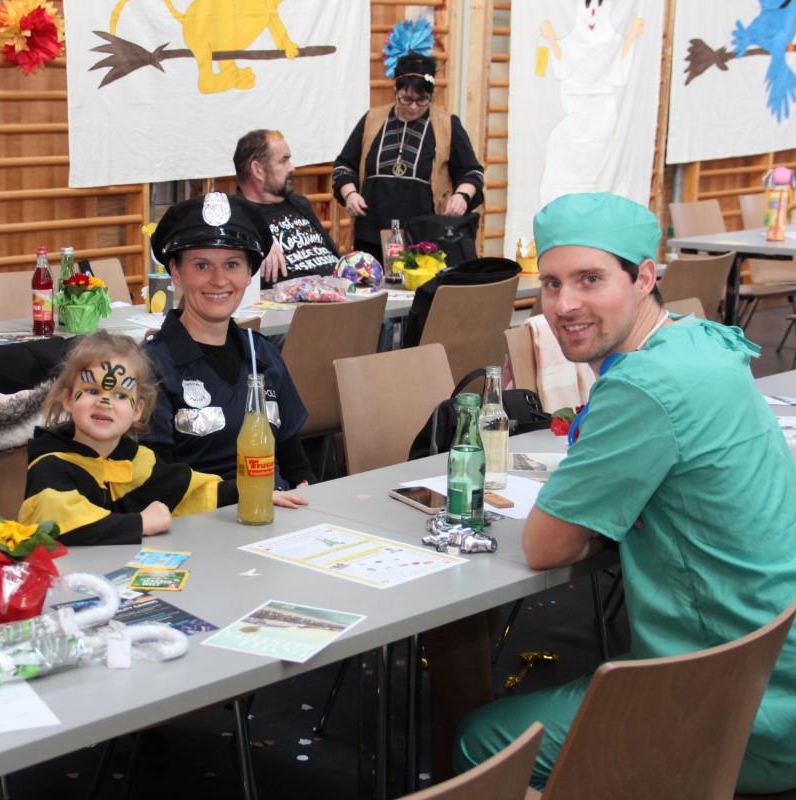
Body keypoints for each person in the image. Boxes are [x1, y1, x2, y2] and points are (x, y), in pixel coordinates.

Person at [453, 193, 796, 793]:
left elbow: (546, 547)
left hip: (738, 708)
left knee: (482, 741)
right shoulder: (699, 340)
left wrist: (595, 520)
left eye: (590, 279)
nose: (565, 304)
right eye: (552, 284)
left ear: (643, 278)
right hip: (775, 663)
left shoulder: (642, 385)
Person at [143, 191, 314, 507]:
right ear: (176, 272)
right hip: (200, 521)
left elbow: (298, 466)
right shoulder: (150, 368)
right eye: (202, 265)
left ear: (249, 273)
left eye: (232, 264)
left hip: (274, 517)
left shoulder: (264, 356)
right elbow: (157, 488)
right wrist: (246, 495)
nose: (219, 280)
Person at [19, 331, 221, 544]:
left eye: (120, 395)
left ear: (137, 410)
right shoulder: (51, 466)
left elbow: (195, 493)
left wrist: (244, 487)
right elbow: (62, 525)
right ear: (69, 399)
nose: (105, 403)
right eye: (92, 391)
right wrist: (141, 523)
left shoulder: (137, 461)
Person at [332, 51, 485, 264]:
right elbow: (344, 166)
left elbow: (472, 172)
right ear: (395, 89)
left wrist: (462, 196)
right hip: (371, 232)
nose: (413, 107)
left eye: (422, 100)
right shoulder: (372, 120)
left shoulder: (447, 124)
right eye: (406, 99)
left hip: (424, 237)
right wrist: (350, 195)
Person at [233, 129, 341, 289]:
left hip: (343, 291)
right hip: (298, 302)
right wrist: (259, 243)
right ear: (258, 170)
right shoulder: (235, 215)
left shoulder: (299, 204)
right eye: (283, 161)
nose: (291, 168)